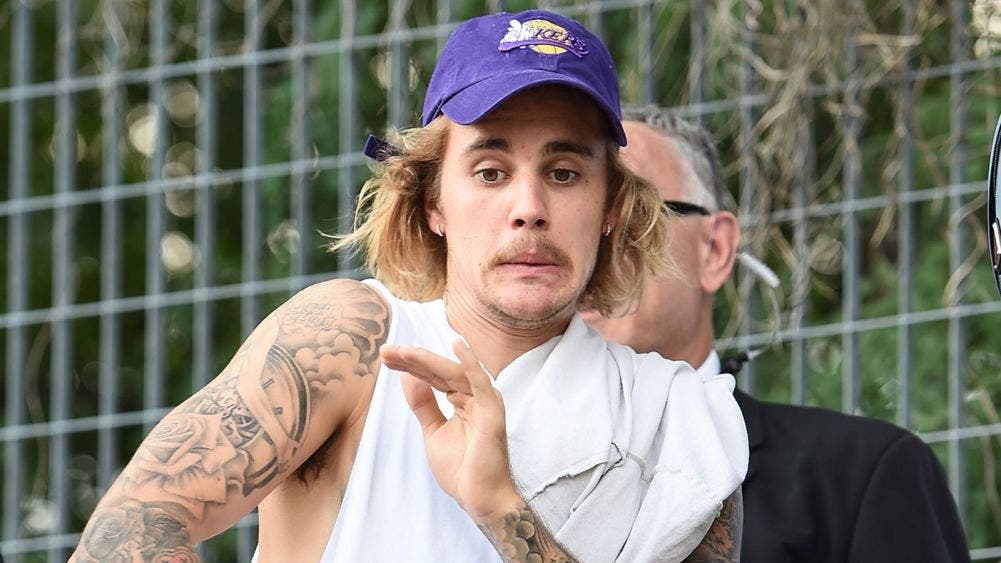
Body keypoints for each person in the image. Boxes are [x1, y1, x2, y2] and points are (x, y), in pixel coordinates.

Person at [71, 11, 748, 563]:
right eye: (489, 172)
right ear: (432, 204)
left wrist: (501, 509)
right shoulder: (349, 343)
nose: (528, 207)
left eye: (564, 173)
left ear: (610, 208)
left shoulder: (681, 428)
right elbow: (127, 530)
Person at [583, 107, 972, 562]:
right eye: (572, 217)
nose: (589, 247)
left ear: (715, 249)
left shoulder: (857, 477)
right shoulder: (507, 484)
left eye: (631, 213)